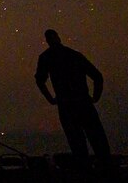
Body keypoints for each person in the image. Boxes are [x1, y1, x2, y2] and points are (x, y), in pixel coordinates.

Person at [35, 29, 110, 165]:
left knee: (76, 141)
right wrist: (95, 97)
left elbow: (40, 80)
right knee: (97, 138)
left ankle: (86, 169)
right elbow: (97, 76)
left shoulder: (47, 57)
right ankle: (106, 168)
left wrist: (51, 99)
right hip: (83, 102)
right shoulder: (74, 55)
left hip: (67, 105)